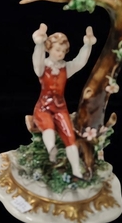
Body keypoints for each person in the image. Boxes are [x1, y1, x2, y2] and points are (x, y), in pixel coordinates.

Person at [32, 23, 96, 178]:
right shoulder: (42, 67)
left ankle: (76, 169)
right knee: (48, 127)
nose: (60, 53)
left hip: (60, 108)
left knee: (70, 137)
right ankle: (51, 150)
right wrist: (39, 44)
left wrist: (87, 45)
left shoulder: (66, 68)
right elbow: (37, 60)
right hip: (43, 107)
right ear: (49, 49)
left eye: (63, 50)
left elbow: (80, 62)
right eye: (57, 50)